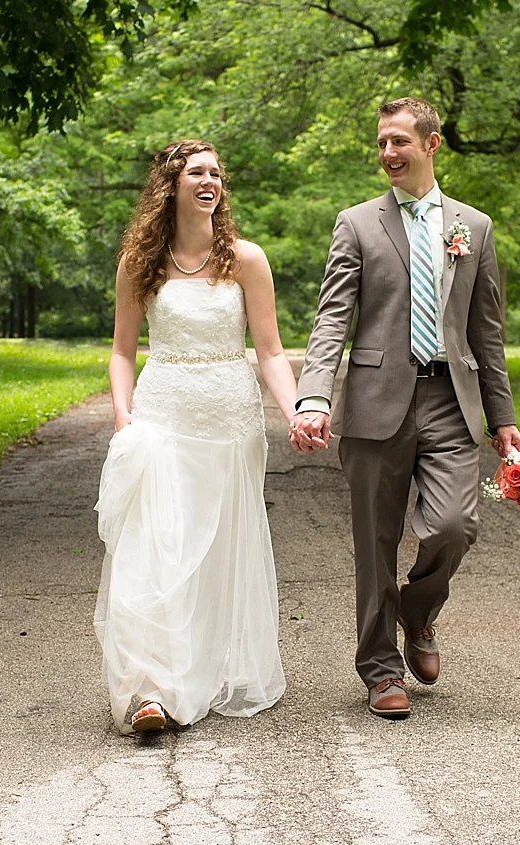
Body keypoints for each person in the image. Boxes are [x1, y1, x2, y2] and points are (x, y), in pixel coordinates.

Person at [290, 98, 520, 720]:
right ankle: (380, 670)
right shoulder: (358, 223)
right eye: (381, 144)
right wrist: (314, 393)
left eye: (400, 142)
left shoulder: (473, 228)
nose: (389, 154)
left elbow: (487, 332)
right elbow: (332, 316)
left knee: (454, 526)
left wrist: (502, 419)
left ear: (433, 144)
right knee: (375, 540)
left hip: (451, 399)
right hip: (374, 401)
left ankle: (417, 612)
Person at [95, 139, 299, 734]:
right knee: (154, 550)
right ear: (171, 185)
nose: (210, 181)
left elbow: (270, 351)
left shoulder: (247, 259)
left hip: (231, 424)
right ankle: (151, 690)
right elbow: (121, 352)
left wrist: (294, 412)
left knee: (213, 553)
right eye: (196, 173)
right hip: (161, 418)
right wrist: (123, 417)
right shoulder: (140, 262)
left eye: (216, 173)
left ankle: (200, 670)